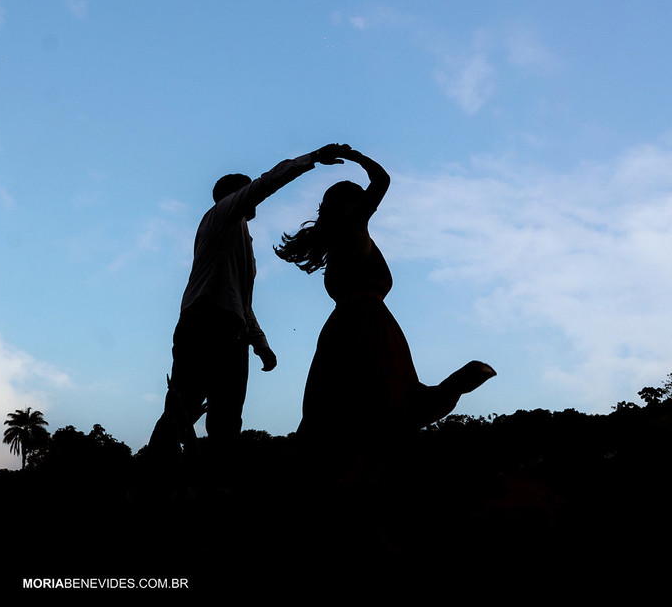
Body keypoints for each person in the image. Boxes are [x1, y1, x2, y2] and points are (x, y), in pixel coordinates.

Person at [275, 147, 495, 478]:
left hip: (349, 327)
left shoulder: (339, 236)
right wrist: (357, 157)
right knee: (383, 400)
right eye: (361, 200)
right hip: (367, 329)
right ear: (353, 204)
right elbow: (382, 180)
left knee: (346, 403)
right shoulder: (352, 225)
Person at [149, 143, 347, 482]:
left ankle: (217, 486)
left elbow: (241, 299)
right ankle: (154, 476)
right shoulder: (223, 214)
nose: (252, 195)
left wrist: (260, 343)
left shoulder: (241, 239)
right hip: (203, 325)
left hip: (232, 331)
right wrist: (311, 158)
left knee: (226, 417)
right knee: (184, 407)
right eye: (247, 190)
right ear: (233, 195)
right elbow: (267, 183)